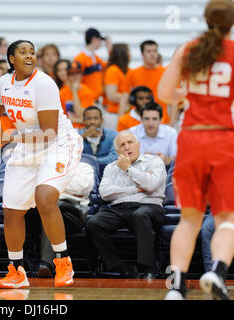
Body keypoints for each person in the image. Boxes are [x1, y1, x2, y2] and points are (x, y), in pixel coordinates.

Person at [0, 40, 83, 288]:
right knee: (11, 210)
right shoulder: (3, 84)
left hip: (59, 144)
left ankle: (63, 262)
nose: (29, 56)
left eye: (32, 52)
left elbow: (49, 133)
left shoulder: (44, 84)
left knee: (44, 198)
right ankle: (16, 272)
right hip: (27, 146)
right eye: (23, 52)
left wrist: (8, 136)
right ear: (11, 59)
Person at [158, 0, 234, 300]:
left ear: (205, 19)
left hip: (190, 139)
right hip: (222, 140)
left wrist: (186, 94)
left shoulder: (187, 49)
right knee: (226, 218)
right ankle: (215, 271)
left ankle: (176, 286)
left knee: (189, 219)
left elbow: (164, 94)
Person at [85, 131, 166, 279]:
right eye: (122, 145)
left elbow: (151, 185)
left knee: (140, 215)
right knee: (93, 224)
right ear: (117, 151)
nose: (127, 147)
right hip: (119, 208)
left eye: (130, 142)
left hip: (149, 206)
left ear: (138, 145)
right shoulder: (111, 167)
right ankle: (122, 267)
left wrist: (129, 169)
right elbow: (105, 193)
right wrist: (135, 189)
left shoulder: (154, 161)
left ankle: (148, 268)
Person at [119, 40, 176, 125]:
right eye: (148, 51)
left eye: (155, 51)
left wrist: (172, 122)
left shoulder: (166, 73)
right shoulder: (133, 73)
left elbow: (174, 100)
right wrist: (120, 120)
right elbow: (124, 99)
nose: (152, 54)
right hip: (136, 121)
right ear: (142, 54)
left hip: (161, 121)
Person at [130, 102, 178, 167]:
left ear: (161, 120)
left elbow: (177, 160)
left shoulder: (171, 133)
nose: (150, 124)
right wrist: (140, 159)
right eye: (146, 119)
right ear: (141, 119)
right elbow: (125, 159)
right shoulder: (132, 133)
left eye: (154, 119)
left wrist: (166, 160)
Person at [74, 28, 112, 104]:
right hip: (87, 99)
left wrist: (109, 50)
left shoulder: (96, 57)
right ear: (94, 39)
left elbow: (110, 66)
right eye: (100, 40)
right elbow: (76, 80)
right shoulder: (80, 58)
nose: (101, 43)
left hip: (97, 100)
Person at [59, 61, 96, 128]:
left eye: (78, 73)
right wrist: (78, 120)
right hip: (67, 129)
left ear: (81, 74)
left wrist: (74, 92)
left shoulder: (87, 92)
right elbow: (61, 117)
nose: (75, 76)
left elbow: (83, 115)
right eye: (72, 73)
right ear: (68, 75)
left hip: (84, 129)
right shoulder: (62, 93)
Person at [103, 43, 131, 130]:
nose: (130, 54)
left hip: (127, 113)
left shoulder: (129, 70)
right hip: (114, 114)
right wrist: (131, 98)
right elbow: (111, 95)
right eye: (128, 51)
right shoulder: (113, 70)